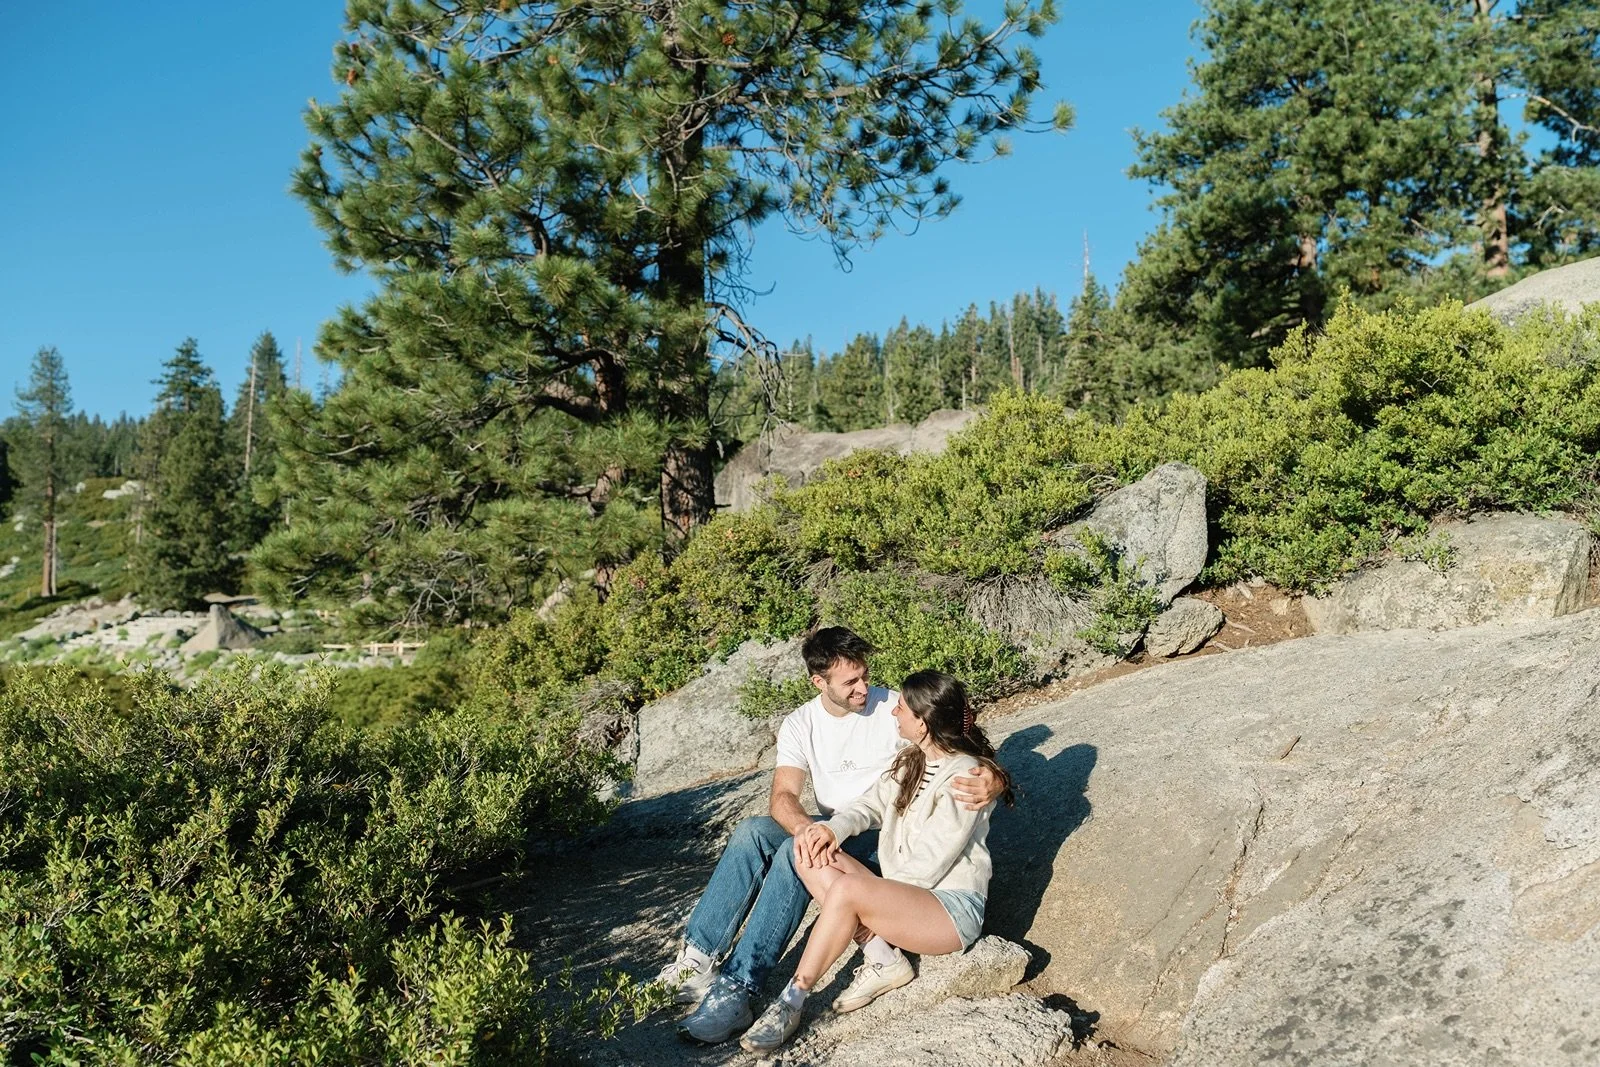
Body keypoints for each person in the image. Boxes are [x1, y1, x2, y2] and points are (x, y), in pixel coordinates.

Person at [656, 628, 1005, 1045]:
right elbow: (784, 798)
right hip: (847, 828)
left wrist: (996, 779)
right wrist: (817, 830)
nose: (865, 689)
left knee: (793, 853)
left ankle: (739, 988)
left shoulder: (896, 708)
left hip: (888, 847)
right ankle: (697, 959)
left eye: (865, 676)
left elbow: (955, 742)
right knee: (757, 833)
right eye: (850, 682)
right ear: (819, 682)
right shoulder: (802, 723)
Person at [736, 669, 1013, 1052]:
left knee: (849, 889)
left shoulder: (964, 775)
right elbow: (869, 804)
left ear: (923, 721)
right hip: (904, 897)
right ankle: (884, 960)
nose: (893, 711)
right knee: (808, 854)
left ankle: (791, 1001)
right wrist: (832, 830)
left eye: (901, 707)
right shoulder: (910, 759)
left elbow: (930, 864)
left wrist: (867, 895)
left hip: (948, 908)